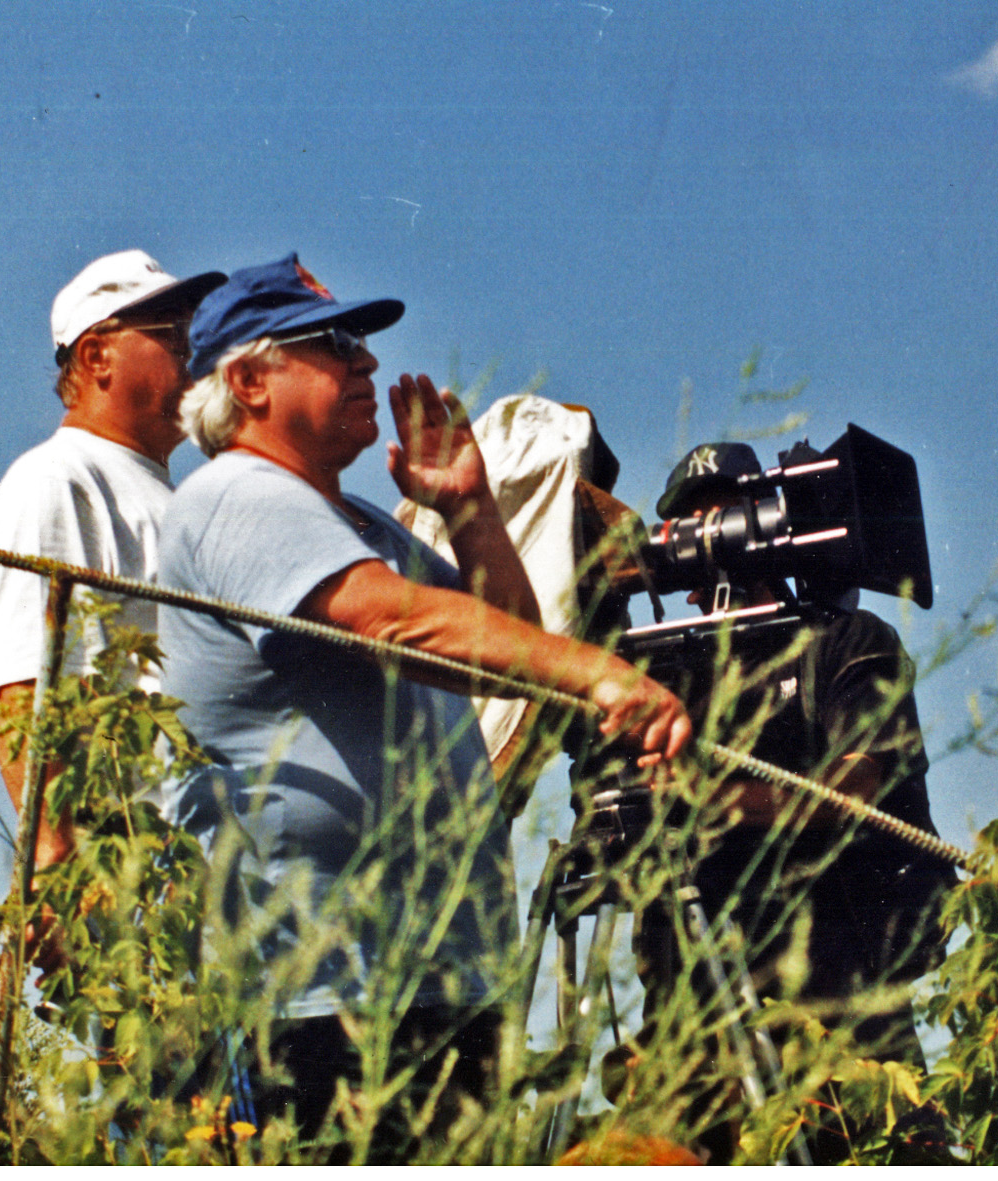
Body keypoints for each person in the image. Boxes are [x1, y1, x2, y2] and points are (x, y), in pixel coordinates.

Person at [157, 254, 690, 1159]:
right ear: (247, 381)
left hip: (430, 983)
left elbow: (510, 651)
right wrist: (602, 673)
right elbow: (393, 620)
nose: (366, 364)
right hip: (323, 993)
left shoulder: (360, 522)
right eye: (332, 344)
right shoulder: (237, 496)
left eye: (363, 345)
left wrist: (472, 507)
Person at [627, 441, 957, 1163]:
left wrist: (708, 797)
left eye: (720, 518)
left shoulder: (845, 641)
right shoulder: (661, 664)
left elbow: (850, 795)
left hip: (835, 1000)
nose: (705, 543)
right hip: (696, 1003)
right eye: (687, 528)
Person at [0, 250, 222, 872]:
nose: (198, 356)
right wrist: (54, 859)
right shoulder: (59, 478)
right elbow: (28, 686)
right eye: (174, 337)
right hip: (131, 862)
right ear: (96, 357)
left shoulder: (169, 497)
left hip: (194, 858)